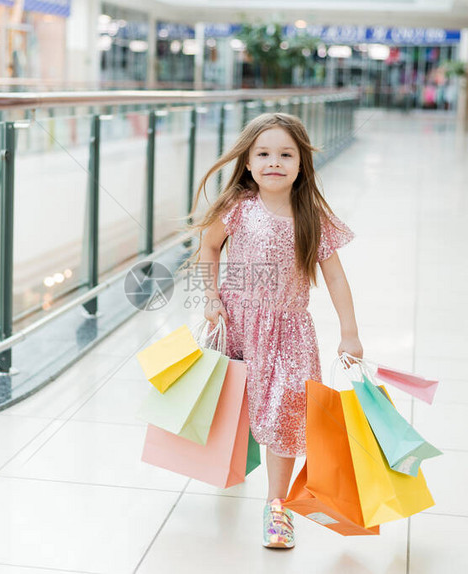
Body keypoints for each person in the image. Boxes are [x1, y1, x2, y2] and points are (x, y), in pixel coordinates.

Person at [191, 113, 362, 549]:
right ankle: (230, 467)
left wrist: (350, 332)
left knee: (284, 412)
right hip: (236, 323)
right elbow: (209, 249)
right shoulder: (236, 208)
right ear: (247, 162)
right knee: (238, 406)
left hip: (289, 332)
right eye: (263, 154)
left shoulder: (312, 216)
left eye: (286, 154)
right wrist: (211, 297)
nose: (274, 162)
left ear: (301, 164)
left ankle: (277, 505)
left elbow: (337, 277)